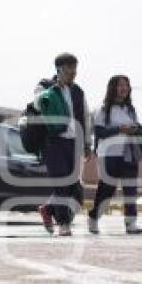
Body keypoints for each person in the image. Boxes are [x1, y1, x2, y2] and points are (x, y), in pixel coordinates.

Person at [35, 53, 90, 237]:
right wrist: (51, 90)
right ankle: (64, 224)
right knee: (61, 183)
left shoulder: (77, 91)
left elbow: (84, 117)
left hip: (73, 143)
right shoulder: (44, 86)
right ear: (59, 69)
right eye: (69, 68)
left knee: (73, 186)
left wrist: (87, 144)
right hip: (53, 142)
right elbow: (37, 104)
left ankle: (48, 210)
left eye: (75, 68)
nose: (73, 72)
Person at [88, 74, 142, 235]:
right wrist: (119, 129)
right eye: (120, 85)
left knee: (130, 190)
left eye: (126, 85)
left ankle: (131, 224)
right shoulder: (103, 109)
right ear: (113, 88)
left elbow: (138, 129)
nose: (124, 88)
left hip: (129, 154)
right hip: (109, 155)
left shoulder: (131, 109)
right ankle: (94, 218)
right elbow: (99, 131)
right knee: (107, 190)